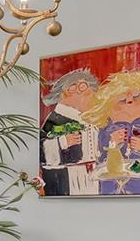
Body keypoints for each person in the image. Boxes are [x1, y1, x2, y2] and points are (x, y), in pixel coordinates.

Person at [83, 70, 140, 195]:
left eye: (136, 96)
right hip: (110, 178)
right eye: (122, 98)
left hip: (139, 177)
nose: (129, 101)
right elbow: (100, 155)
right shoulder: (106, 124)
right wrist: (111, 143)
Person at [39, 68, 99, 196]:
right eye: (73, 87)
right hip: (66, 179)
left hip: (92, 177)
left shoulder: (92, 119)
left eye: (83, 86)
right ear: (62, 95)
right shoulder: (55, 119)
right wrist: (63, 142)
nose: (80, 91)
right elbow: (40, 151)